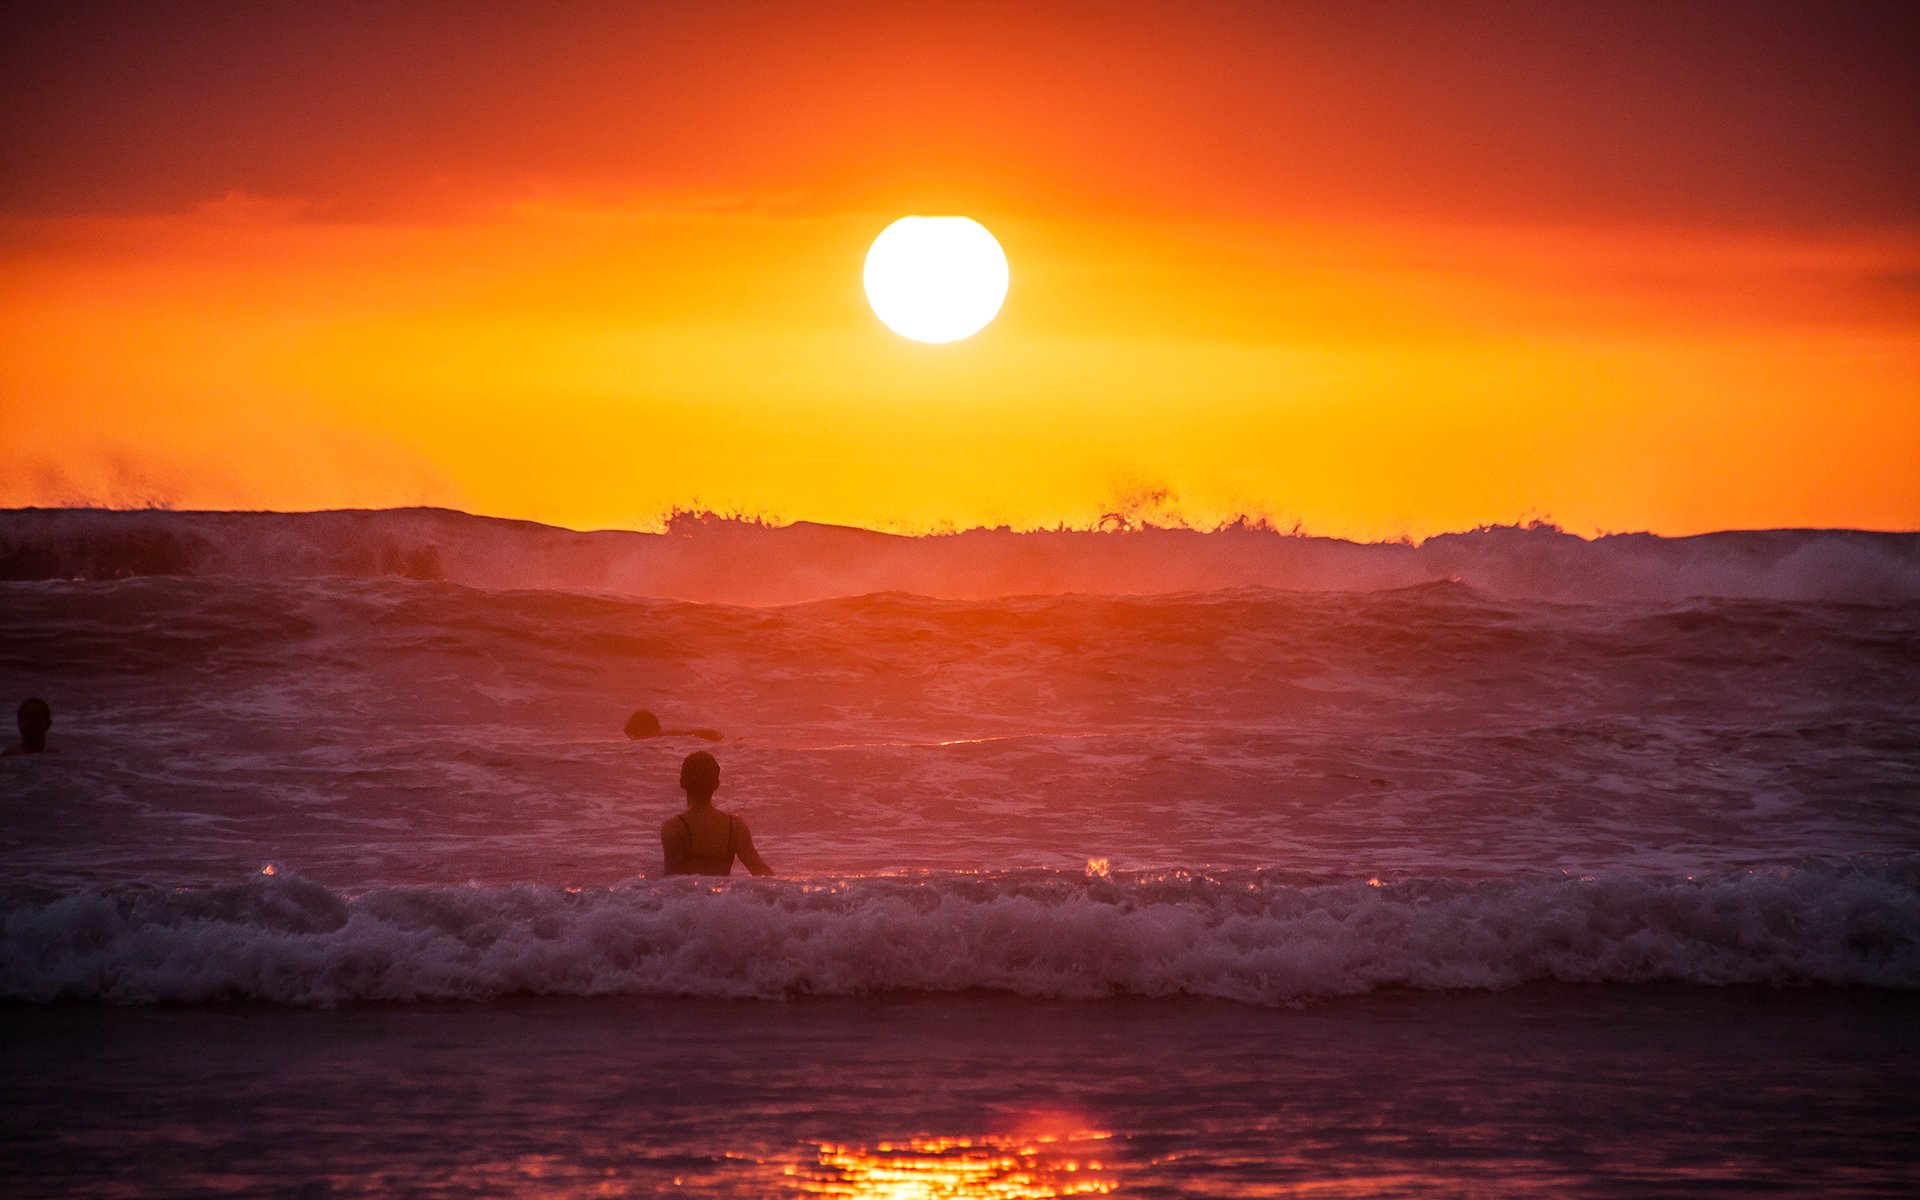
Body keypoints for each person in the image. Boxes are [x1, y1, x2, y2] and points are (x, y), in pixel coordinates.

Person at [660, 751, 771, 876]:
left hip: (691, 895)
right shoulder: (735, 827)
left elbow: (669, 882)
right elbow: (762, 872)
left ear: (682, 782)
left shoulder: (674, 827)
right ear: (716, 784)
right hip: (723, 895)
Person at [624, 709, 723, 742]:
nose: (632, 740)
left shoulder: (668, 738)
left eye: (633, 736)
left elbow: (692, 734)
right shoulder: (667, 736)